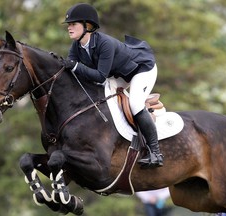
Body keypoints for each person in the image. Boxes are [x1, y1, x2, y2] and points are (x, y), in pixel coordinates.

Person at [60, 3, 163, 167]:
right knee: (100, 96)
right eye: (69, 25)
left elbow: (100, 77)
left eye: (73, 24)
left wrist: (76, 66)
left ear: (87, 26)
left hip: (141, 69)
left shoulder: (104, 43)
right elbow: (73, 70)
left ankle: (156, 153)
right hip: (119, 74)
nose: (69, 28)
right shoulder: (77, 46)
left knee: (135, 104)